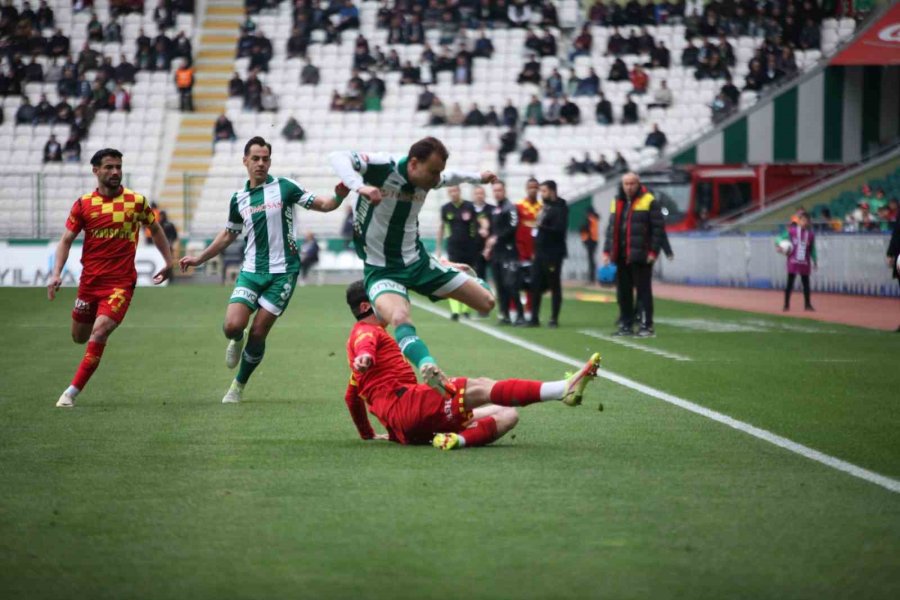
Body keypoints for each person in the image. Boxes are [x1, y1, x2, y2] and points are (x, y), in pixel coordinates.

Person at [179, 137, 344, 404]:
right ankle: (235, 339)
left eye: (265, 158)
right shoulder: (239, 199)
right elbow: (228, 235)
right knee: (233, 326)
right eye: (255, 158)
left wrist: (341, 193)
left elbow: (324, 205)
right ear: (245, 161)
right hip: (252, 271)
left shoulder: (285, 187)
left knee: (258, 333)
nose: (261, 163)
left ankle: (238, 385)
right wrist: (199, 259)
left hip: (283, 273)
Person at [342, 280, 602, 449]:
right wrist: (365, 357)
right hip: (410, 406)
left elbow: (351, 397)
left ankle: (458, 440)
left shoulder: (360, 339)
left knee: (507, 414)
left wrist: (367, 434)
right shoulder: (366, 333)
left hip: (408, 430)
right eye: (381, 300)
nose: (388, 303)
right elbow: (365, 348)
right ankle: (562, 389)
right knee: (481, 386)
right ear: (367, 306)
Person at [329, 138, 498, 394]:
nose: (436, 178)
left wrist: (478, 177)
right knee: (399, 317)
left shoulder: (427, 177)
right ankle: (428, 365)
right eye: (433, 172)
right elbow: (337, 157)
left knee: (487, 303)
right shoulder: (383, 167)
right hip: (382, 270)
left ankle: (448, 268)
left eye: (438, 172)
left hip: (418, 263)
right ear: (415, 164)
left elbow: (450, 176)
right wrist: (359, 187)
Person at [47, 148, 175, 408]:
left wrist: (168, 260)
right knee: (79, 336)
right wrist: (56, 273)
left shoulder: (136, 202)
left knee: (100, 330)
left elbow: (156, 228)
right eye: (109, 167)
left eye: (118, 166)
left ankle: (70, 393)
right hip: (89, 283)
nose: (115, 171)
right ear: (96, 170)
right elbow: (66, 240)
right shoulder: (84, 204)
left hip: (120, 284)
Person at [602, 172, 664, 337]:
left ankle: (646, 325)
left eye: (632, 183)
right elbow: (611, 229)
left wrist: (653, 251)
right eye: (626, 184)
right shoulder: (617, 201)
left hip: (641, 254)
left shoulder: (649, 200)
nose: (629, 187)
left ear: (638, 184)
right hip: (621, 254)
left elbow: (658, 230)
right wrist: (607, 251)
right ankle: (626, 324)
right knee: (623, 293)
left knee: (643, 292)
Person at [435, 185, 480, 321]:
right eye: (451, 191)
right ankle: (455, 311)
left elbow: (477, 224)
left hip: (469, 248)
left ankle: (465, 310)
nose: (453, 193)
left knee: (468, 279)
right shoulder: (446, 208)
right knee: (454, 278)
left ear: (459, 191)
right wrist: (438, 247)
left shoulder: (469, 206)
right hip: (453, 248)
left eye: (455, 191)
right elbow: (442, 228)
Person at [528, 181, 568, 328]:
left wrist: (540, 226)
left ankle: (554, 318)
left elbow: (559, 229)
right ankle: (534, 317)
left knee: (554, 284)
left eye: (544, 191)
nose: (541, 194)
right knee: (535, 284)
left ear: (552, 191)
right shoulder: (545, 207)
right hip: (540, 252)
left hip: (553, 253)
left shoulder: (561, 207)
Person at [487, 180, 524, 326]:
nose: (497, 193)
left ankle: (520, 315)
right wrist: (488, 246)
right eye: (495, 191)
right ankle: (505, 315)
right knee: (500, 285)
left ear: (504, 191)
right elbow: (493, 231)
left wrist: (497, 237)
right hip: (497, 253)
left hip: (509, 252)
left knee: (511, 285)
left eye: (499, 190)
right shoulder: (495, 210)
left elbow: (513, 226)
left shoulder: (510, 208)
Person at [777, 211, 816, 312]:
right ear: (799, 221)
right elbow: (779, 238)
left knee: (806, 284)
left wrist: (815, 261)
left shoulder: (810, 235)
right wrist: (779, 246)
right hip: (793, 262)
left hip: (804, 262)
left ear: (809, 222)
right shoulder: (792, 231)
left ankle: (807, 305)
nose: (804, 222)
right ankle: (786, 305)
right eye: (802, 220)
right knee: (789, 284)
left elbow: (812, 249)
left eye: (806, 221)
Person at [581, 205, 600, 284]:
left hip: (591, 241)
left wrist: (585, 239)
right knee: (591, 260)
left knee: (591, 260)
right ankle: (592, 278)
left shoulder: (591, 219)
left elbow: (586, 229)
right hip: (593, 241)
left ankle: (591, 279)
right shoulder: (594, 219)